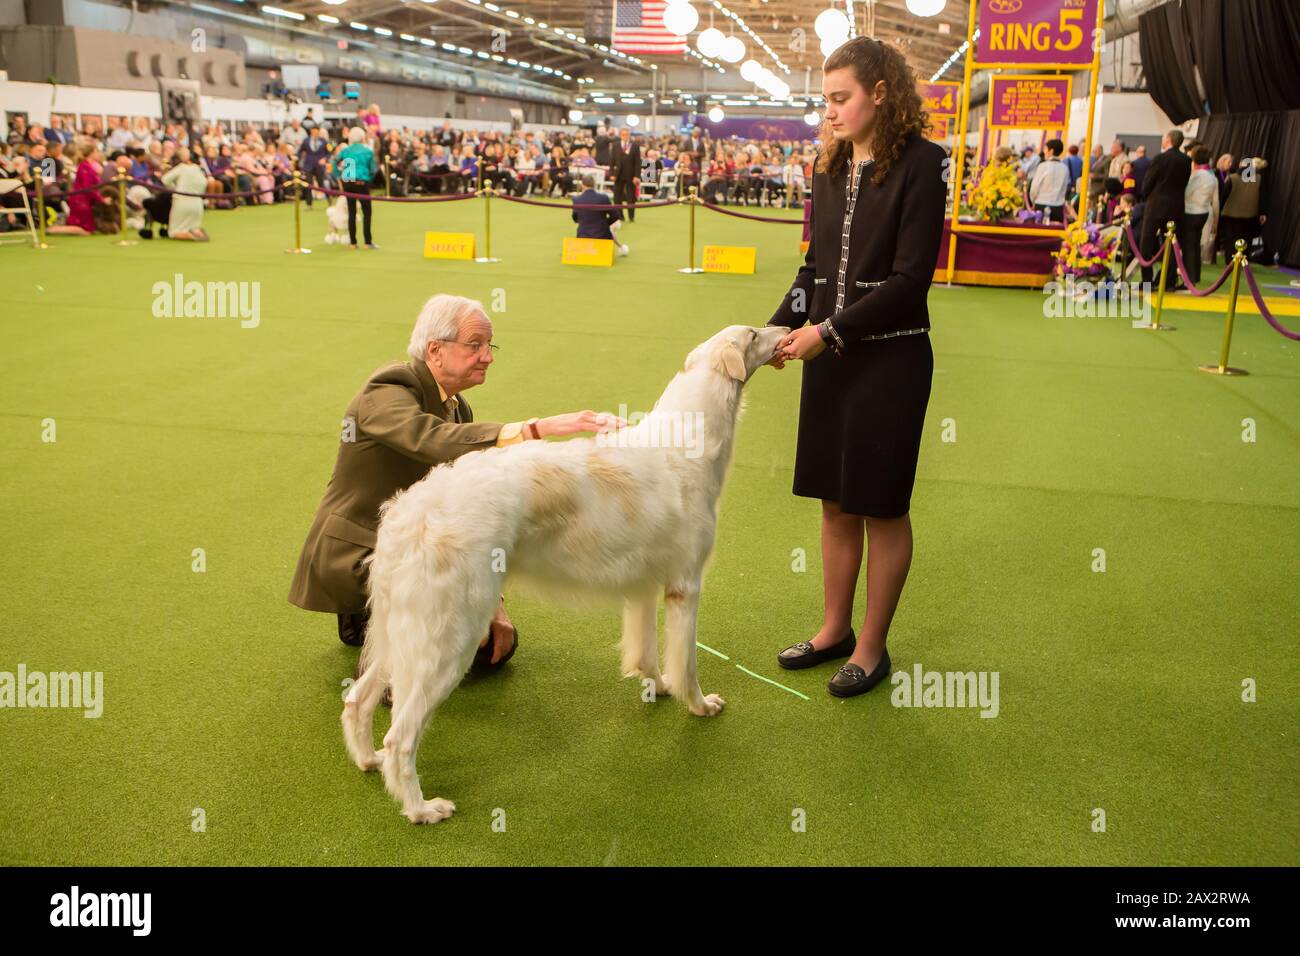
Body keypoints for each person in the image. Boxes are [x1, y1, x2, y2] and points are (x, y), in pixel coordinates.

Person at [287, 294, 626, 702]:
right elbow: (430, 440)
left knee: (495, 648)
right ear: (435, 349)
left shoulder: (457, 408)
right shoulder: (388, 387)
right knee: (432, 660)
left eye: (489, 345)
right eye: (475, 345)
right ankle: (383, 649)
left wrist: (492, 602)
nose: (487, 356)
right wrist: (538, 428)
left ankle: (392, 630)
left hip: (415, 547)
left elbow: (466, 510)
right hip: (360, 551)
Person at [766, 36, 947, 698]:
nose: (832, 111)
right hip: (831, 358)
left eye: (841, 98)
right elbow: (813, 270)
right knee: (835, 503)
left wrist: (827, 331)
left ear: (883, 94)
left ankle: (871, 648)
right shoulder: (831, 167)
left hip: (891, 360)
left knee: (880, 507)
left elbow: (910, 281)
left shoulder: (926, 166)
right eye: (826, 100)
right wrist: (772, 329)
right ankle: (833, 629)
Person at [1138, 129, 1191, 286]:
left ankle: (1147, 280)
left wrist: (1145, 196)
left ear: (1168, 139)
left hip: (1156, 206)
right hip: (1176, 207)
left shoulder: (1160, 158)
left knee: (1146, 244)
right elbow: (1184, 183)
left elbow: (1148, 182)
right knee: (1171, 246)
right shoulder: (1186, 161)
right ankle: (1168, 282)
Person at [333, 126, 377, 250]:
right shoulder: (367, 151)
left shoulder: (346, 151)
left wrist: (339, 176)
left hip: (348, 182)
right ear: (363, 137)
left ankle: (353, 242)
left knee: (351, 212)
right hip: (362, 183)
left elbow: (334, 162)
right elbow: (374, 169)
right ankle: (367, 242)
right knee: (367, 212)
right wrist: (369, 180)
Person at [1181, 145, 1217, 286]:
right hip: (1203, 212)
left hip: (1192, 212)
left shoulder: (1197, 175)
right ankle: (1194, 275)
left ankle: (1188, 278)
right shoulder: (1211, 175)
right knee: (1195, 246)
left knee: (1189, 247)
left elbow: (1187, 192)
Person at [571, 173, 627, 256]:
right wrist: (604, 223)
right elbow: (615, 216)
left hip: (583, 237)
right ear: (594, 185)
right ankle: (621, 247)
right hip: (602, 236)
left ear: (582, 185)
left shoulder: (577, 200)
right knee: (611, 230)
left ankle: (621, 247)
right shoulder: (603, 198)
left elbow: (575, 218)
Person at [1029, 138, 1068, 223]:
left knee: (1039, 233)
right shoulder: (1065, 168)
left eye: (1046, 149)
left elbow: (1035, 188)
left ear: (1051, 151)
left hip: (1041, 205)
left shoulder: (1043, 166)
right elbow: (1064, 190)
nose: (1044, 152)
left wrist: (1033, 202)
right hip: (1058, 207)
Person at [610, 127, 640, 222]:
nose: (625, 136)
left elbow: (638, 162)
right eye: (623, 134)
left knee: (631, 197)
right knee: (617, 197)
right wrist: (611, 173)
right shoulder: (615, 145)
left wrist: (637, 176)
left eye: (626, 134)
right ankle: (619, 216)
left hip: (631, 175)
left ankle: (631, 216)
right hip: (618, 175)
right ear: (620, 135)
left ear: (629, 135)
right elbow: (612, 161)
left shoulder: (634, 146)